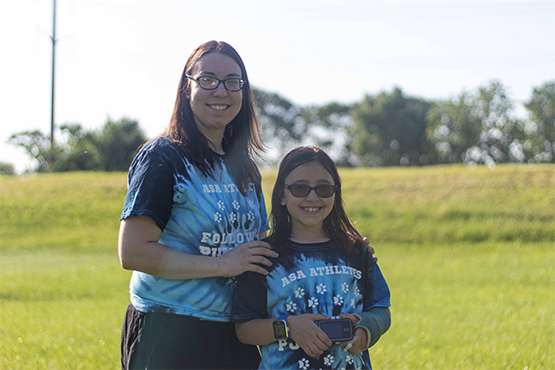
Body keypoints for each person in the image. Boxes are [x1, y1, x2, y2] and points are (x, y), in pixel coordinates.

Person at [118, 40, 279, 370]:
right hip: (169, 330)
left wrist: (341, 250)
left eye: (233, 82)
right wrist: (223, 265)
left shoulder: (245, 167)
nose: (220, 91)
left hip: (236, 332)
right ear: (186, 86)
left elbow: (257, 250)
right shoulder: (164, 157)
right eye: (208, 79)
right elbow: (133, 252)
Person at [233, 146, 391, 370]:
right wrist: (288, 328)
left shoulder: (356, 250)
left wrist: (366, 328)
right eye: (299, 188)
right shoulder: (263, 256)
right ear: (281, 196)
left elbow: (381, 309)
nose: (312, 197)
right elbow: (245, 330)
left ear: (336, 194)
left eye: (324, 188)